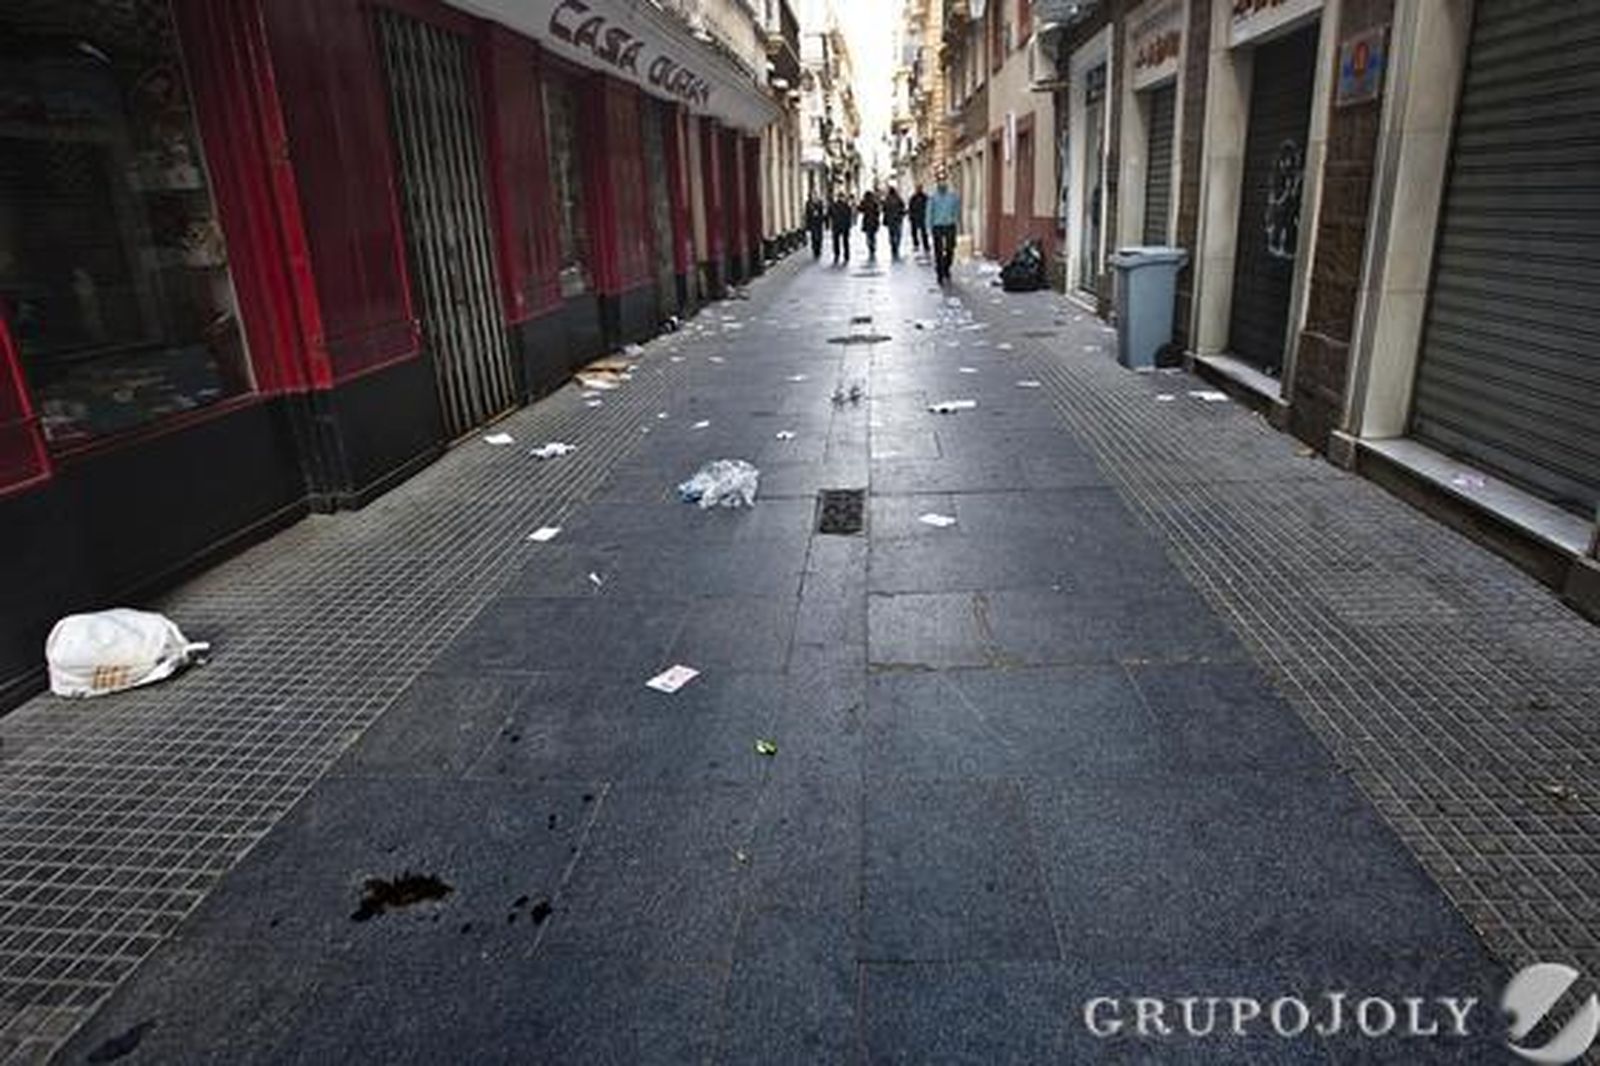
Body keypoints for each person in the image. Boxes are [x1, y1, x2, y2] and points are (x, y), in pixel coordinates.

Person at [928, 171, 960, 284]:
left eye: (944, 180)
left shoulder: (953, 196)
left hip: (950, 226)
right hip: (937, 226)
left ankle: (946, 267)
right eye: (940, 181)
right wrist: (929, 227)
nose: (942, 183)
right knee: (939, 251)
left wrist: (957, 224)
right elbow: (929, 212)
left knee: (950, 249)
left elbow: (957, 211)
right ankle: (940, 273)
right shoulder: (933, 197)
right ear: (937, 183)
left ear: (946, 182)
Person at [883, 187, 906, 259]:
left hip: (890, 220)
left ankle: (893, 245)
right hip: (898, 219)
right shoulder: (898, 198)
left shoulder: (887, 199)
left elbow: (884, 209)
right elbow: (903, 206)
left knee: (891, 233)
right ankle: (897, 244)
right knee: (898, 233)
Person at [829, 193, 853, 263]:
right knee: (844, 241)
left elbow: (829, 215)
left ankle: (839, 255)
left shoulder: (835, 205)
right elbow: (849, 216)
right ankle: (845, 255)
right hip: (841, 226)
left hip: (838, 226)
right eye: (841, 197)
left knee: (839, 241)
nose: (841, 198)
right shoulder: (845, 205)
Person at [859, 189, 881, 259]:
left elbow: (860, 209)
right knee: (873, 235)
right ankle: (873, 245)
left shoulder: (864, 202)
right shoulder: (874, 202)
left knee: (868, 235)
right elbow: (878, 211)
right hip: (874, 221)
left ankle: (870, 245)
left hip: (867, 221)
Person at [804, 196, 827, 260]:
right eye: (813, 194)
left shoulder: (820, 202)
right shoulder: (808, 203)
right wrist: (807, 223)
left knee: (819, 236)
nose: (814, 196)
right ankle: (815, 250)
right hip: (812, 222)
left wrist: (822, 219)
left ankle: (819, 248)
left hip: (819, 222)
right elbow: (807, 213)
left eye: (815, 194)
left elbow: (823, 212)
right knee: (814, 236)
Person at [908, 184, 929, 252]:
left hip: (922, 217)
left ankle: (925, 245)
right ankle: (916, 244)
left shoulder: (925, 197)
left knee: (924, 233)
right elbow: (910, 208)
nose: (918, 189)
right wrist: (911, 216)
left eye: (919, 188)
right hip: (915, 217)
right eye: (917, 188)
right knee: (914, 233)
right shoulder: (913, 198)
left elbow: (928, 207)